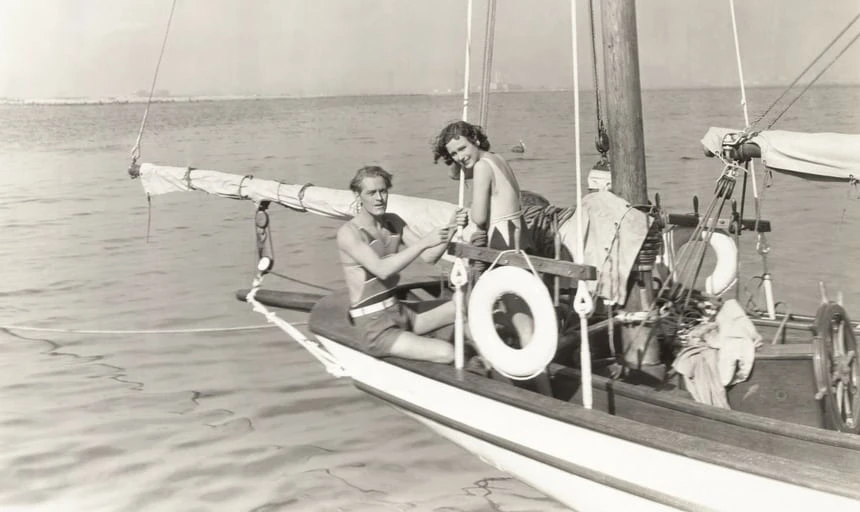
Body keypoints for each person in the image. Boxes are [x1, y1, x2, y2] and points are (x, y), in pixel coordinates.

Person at [432, 121, 548, 390]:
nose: (461, 157)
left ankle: (511, 380)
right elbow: (457, 174)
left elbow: (480, 216)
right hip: (520, 237)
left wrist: (467, 214)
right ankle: (535, 381)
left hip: (502, 242)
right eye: (454, 155)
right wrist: (458, 159)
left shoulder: (482, 168)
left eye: (462, 148)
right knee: (519, 311)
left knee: (478, 313)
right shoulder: (495, 159)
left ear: (474, 138)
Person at [337, 165, 466, 363]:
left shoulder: (393, 222)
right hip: (375, 327)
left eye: (383, 191)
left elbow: (430, 256)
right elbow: (382, 269)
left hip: (399, 312)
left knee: (462, 307)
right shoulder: (349, 233)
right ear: (357, 195)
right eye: (371, 193)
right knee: (447, 352)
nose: (379, 198)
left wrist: (451, 227)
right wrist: (424, 242)